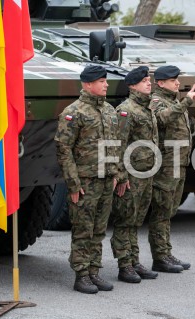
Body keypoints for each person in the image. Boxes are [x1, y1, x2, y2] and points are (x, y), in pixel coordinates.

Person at [55, 65, 119, 294]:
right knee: (83, 229)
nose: (106, 84)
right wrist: (73, 183)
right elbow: (64, 150)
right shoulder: (74, 112)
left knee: (99, 229)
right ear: (88, 84)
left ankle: (94, 271)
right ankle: (81, 275)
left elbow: (114, 145)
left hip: (105, 180)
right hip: (85, 182)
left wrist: (116, 173)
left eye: (105, 80)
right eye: (102, 81)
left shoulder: (109, 110)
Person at [110, 66, 159, 283]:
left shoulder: (147, 108)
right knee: (125, 219)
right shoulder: (126, 110)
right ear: (132, 86)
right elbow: (117, 145)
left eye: (149, 80)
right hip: (130, 175)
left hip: (146, 173)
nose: (149, 83)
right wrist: (121, 176)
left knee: (137, 219)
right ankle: (124, 265)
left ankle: (134, 260)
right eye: (144, 81)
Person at [149, 65, 195, 272]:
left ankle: (166, 253)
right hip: (167, 165)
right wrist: (186, 102)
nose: (177, 83)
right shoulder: (157, 101)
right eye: (172, 80)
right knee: (161, 211)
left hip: (179, 163)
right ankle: (159, 257)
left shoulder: (174, 101)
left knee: (170, 211)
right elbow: (162, 118)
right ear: (160, 83)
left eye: (177, 79)